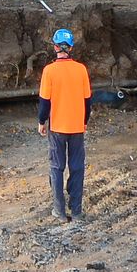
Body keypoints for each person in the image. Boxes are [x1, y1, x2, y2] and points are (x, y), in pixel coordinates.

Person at [36, 27, 93, 222]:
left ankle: (59, 211)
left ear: (55, 47)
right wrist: (84, 122)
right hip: (77, 127)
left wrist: (41, 121)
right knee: (77, 167)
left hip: (57, 127)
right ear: (71, 47)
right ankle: (76, 211)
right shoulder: (81, 70)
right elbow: (88, 101)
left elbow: (44, 102)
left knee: (56, 167)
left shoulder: (49, 71)